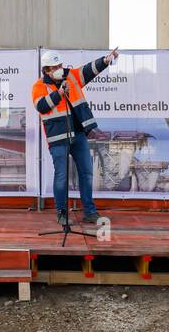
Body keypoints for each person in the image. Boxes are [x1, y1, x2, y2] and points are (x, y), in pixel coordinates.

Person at [32, 48, 119, 226]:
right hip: (58, 139)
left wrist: (106, 59)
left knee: (87, 173)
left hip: (78, 135)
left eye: (60, 65)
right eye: (55, 67)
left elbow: (88, 70)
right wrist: (59, 94)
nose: (59, 69)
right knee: (61, 176)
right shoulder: (38, 86)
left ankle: (90, 212)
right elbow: (41, 106)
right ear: (46, 70)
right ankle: (62, 213)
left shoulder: (70, 76)